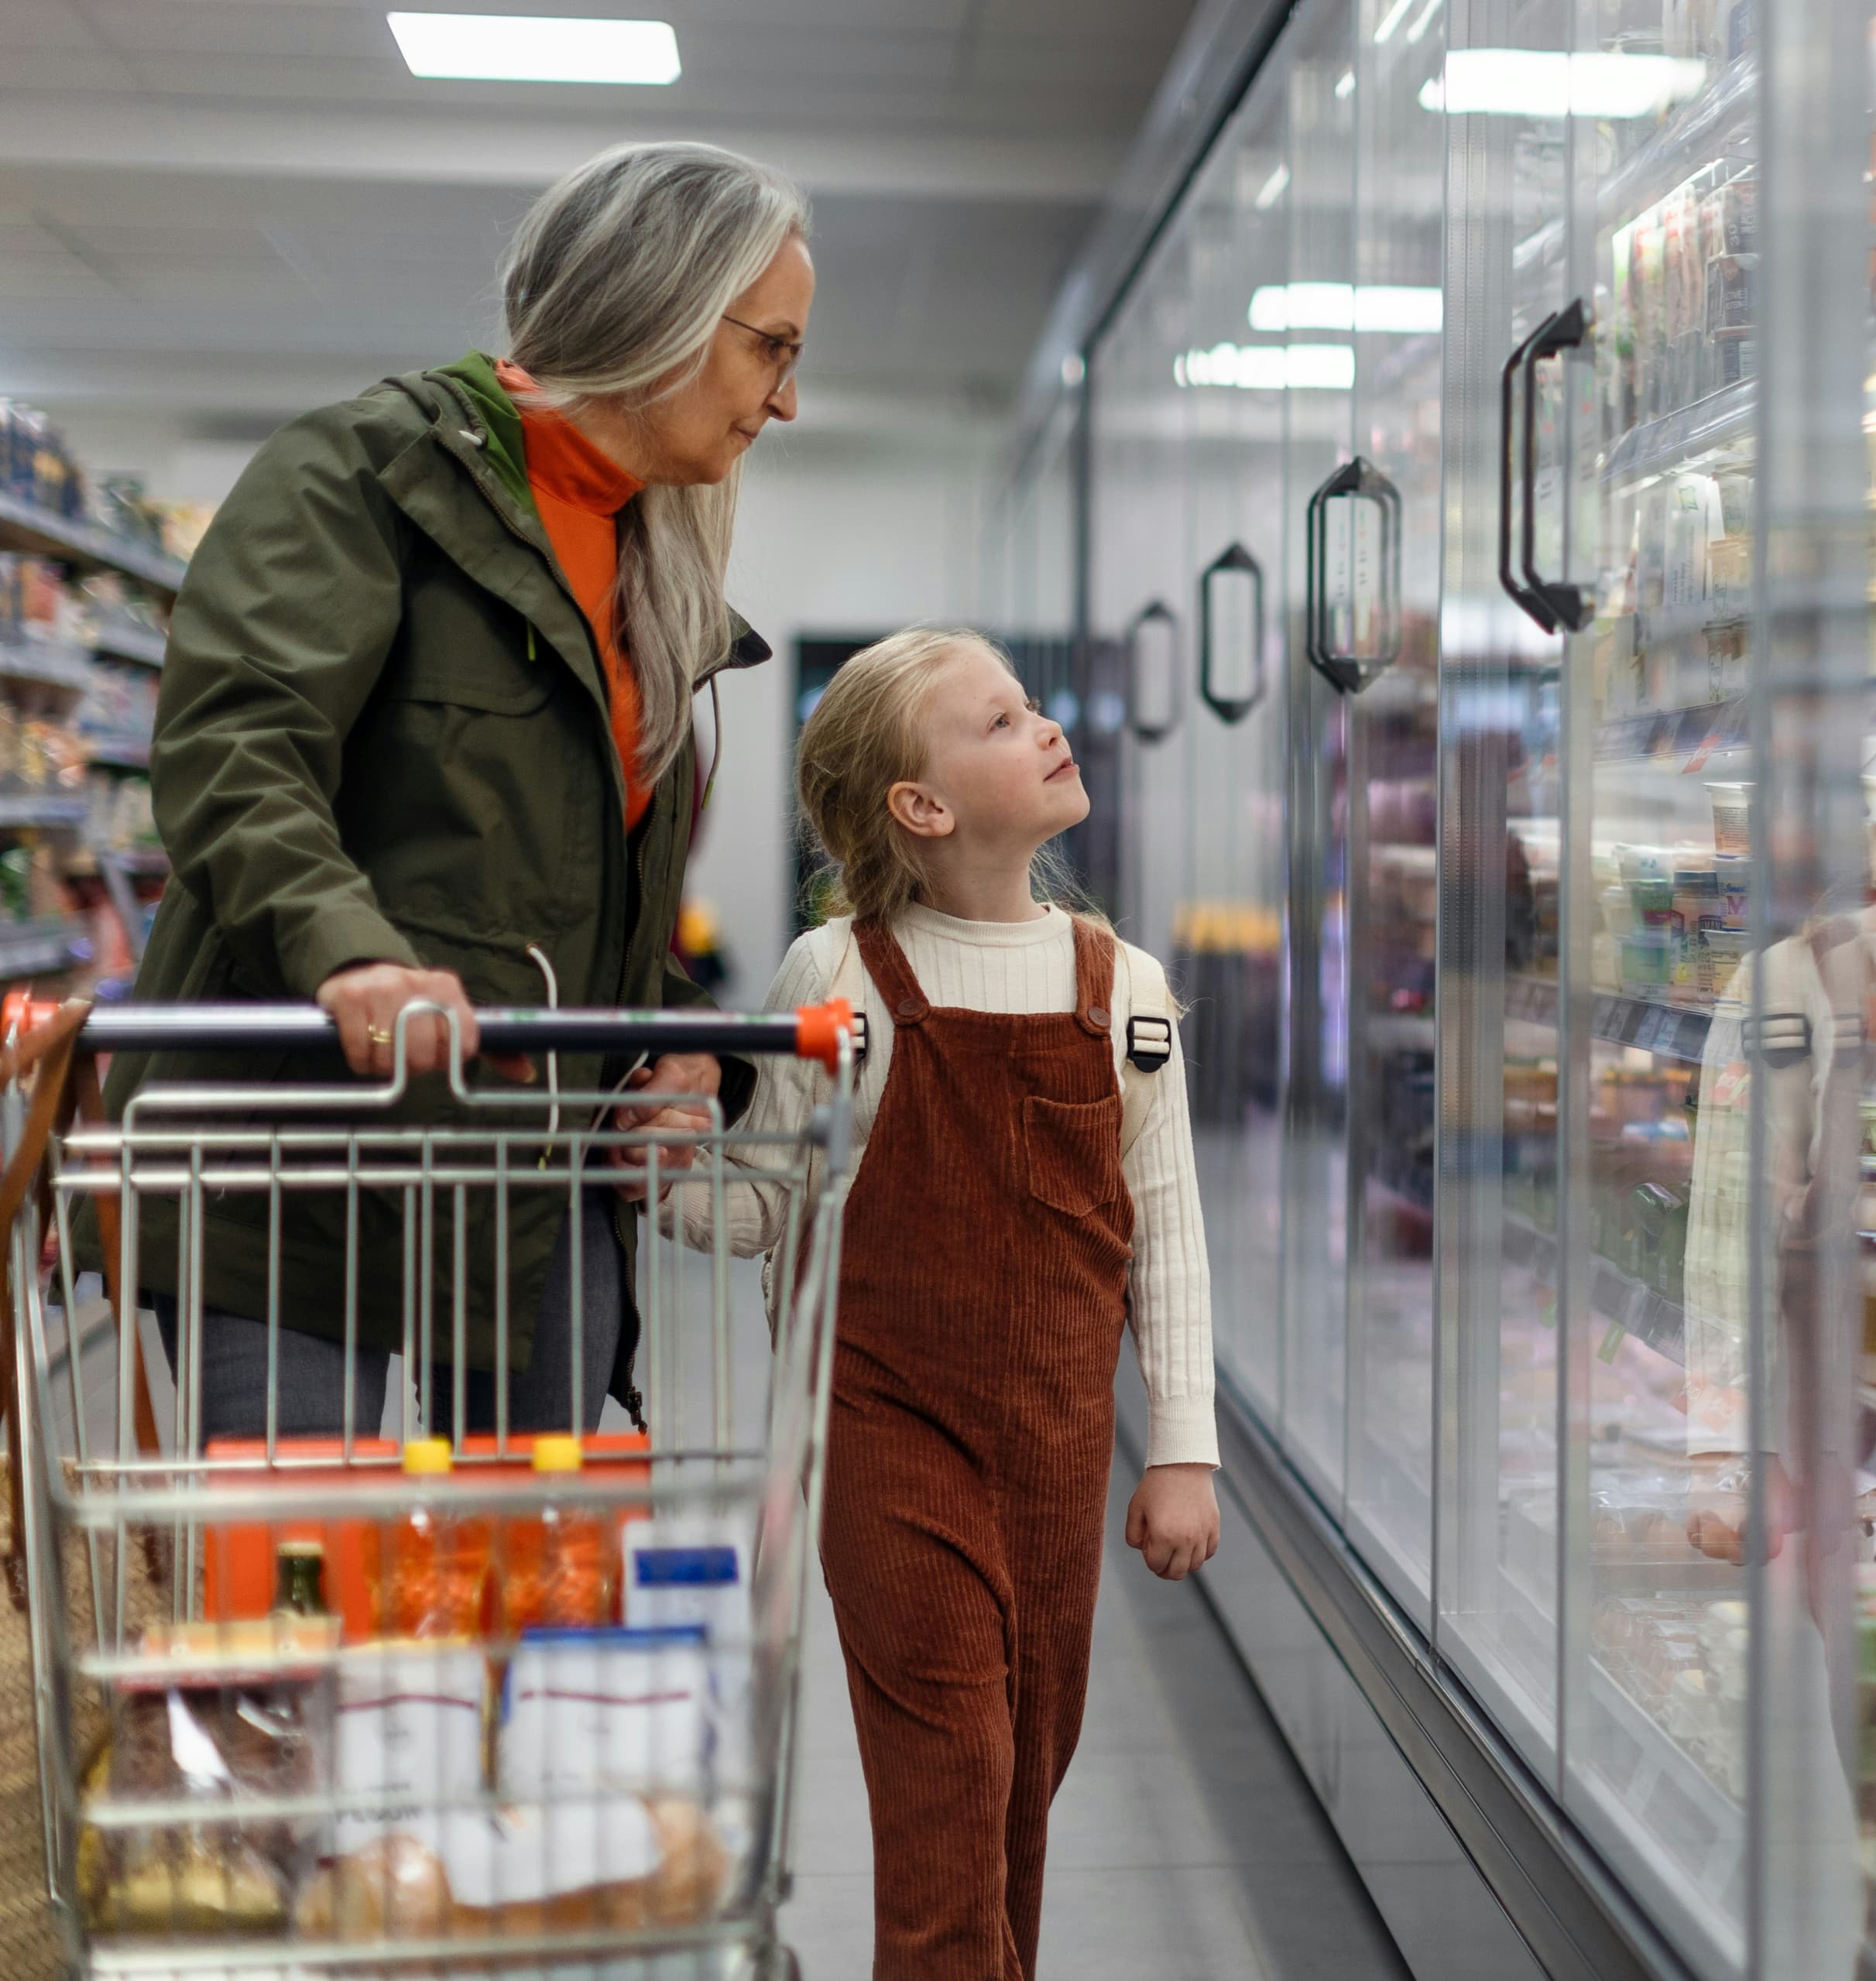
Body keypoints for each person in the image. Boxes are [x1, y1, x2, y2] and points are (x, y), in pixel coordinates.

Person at [99, 139, 811, 1441]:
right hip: (296, 1164)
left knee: (529, 1598)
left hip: (531, 1179)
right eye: (773, 346)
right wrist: (348, 955)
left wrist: (685, 1042)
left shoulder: (656, 574)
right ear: (663, 306)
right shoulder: (365, 477)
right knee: (298, 1613)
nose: (787, 399)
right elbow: (237, 746)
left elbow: (559, 899)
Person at [682, 625, 1219, 1979]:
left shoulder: (1126, 992)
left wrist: (1184, 1452)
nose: (1042, 727)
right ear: (919, 808)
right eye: (997, 722)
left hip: (1050, 1456)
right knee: (950, 1799)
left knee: (1017, 1804)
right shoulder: (840, 979)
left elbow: (1167, 1238)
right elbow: (761, 1204)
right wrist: (650, 1162)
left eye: (1031, 707)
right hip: (881, 1441)